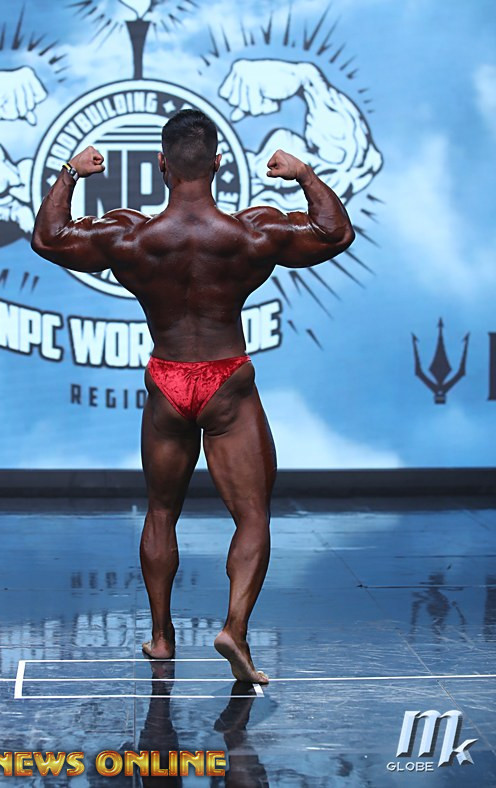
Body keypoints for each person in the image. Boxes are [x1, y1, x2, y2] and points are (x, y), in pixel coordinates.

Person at [31, 109, 355, 684]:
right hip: (227, 382)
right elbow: (335, 233)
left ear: (162, 165)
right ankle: (234, 629)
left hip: (168, 380)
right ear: (218, 163)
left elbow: (48, 239)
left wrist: (70, 173)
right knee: (251, 515)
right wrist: (304, 174)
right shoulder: (251, 233)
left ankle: (161, 638)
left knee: (161, 511)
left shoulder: (130, 235)